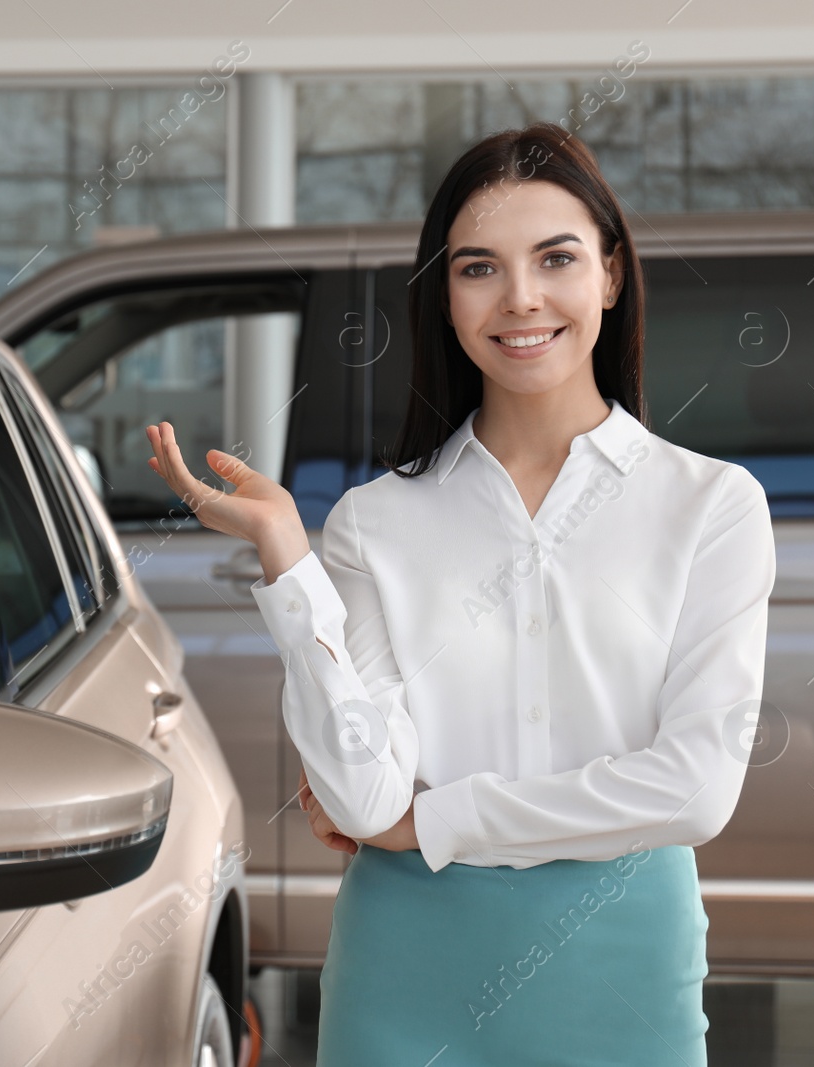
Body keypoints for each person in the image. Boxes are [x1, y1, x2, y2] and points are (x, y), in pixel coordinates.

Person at [143, 122, 777, 1065]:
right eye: (479, 267)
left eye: (555, 258)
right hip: (407, 972)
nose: (520, 298)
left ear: (609, 274)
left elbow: (696, 789)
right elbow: (362, 796)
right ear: (444, 296)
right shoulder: (373, 521)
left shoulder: (712, 506)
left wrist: (431, 820)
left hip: (625, 971)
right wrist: (289, 559)